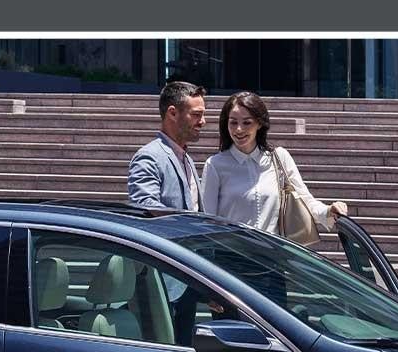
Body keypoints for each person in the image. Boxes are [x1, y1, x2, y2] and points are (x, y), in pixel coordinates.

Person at [201, 91, 349, 236]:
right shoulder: (215, 165)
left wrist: (329, 211)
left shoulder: (279, 157)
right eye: (233, 122)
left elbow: (305, 200)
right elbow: (207, 220)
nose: (239, 129)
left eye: (247, 122)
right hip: (232, 255)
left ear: (259, 124)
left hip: (273, 254)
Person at [127, 81, 208, 211]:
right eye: (196, 115)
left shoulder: (186, 159)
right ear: (172, 113)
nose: (202, 121)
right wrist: (182, 225)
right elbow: (144, 205)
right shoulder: (149, 157)